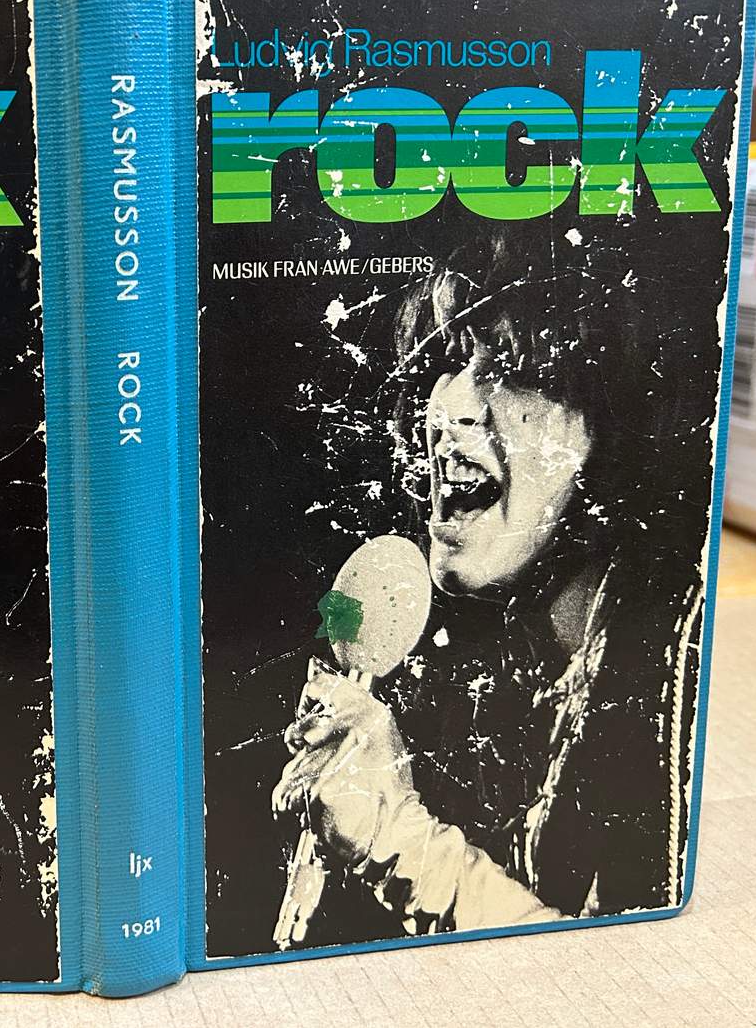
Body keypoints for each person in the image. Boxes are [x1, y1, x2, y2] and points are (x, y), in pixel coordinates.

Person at [274, 235, 712, 937]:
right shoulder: (475, 671)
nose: (449, 405)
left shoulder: (675, 653)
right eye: (452, 361)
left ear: (615, 423)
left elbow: (623, 964)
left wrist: (397, 836)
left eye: (511, 367)